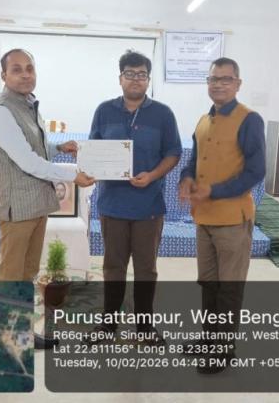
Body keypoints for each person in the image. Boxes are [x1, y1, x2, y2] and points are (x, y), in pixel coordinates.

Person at [0, 48, 95, 348]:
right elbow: (27, 161)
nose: (25, 75)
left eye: (29, 68)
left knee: (28, 273)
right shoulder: (2, 111)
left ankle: (19, 334)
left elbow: (34, 147)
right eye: (17, 69)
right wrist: (72, 175)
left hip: (35, 204)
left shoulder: (27, 104)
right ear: (4, 75)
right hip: (17, 207)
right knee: (11, 276)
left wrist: (59, 148)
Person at [87, 50, 182, 345]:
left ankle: (144, 328)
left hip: (148, 206)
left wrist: (152, 176)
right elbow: (93, 150)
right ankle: (108, 327)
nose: (136, 79)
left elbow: (173, 153)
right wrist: (91, 168)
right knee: (113, 267)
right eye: (130, 74)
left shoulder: (163, 114)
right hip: (113, 205)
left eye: (141, 74)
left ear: (148, 80)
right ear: (120, 78)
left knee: (146, 270)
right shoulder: (104, 111)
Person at [179, 57, 266, 373]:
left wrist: (213, 191)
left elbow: (256, 171)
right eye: (213, 79)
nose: (218, 84)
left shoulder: (249, 120)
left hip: (232, 219)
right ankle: (209, 341)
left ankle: (223, 351)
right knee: (208, 284)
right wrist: (186, 178)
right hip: (203, 218)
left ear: (237, 84)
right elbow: (193, 160)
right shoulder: (204, 120)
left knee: (229, 288)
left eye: (226, 79)